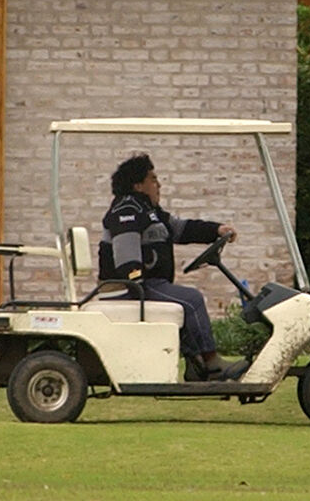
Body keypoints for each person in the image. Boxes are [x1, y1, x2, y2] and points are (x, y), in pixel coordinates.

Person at [97, 153, 247, 381]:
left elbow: (181, 229)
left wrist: (216, 230)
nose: (159, 185)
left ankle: (196, 366)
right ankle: (211, 364)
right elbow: (126, 257)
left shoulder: (149, 211)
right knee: (192, 299)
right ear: (138, 185)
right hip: (129, 286)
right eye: (153, 179)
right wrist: (138, 285)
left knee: (182, 298)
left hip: (147, 283)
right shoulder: (126, 211)